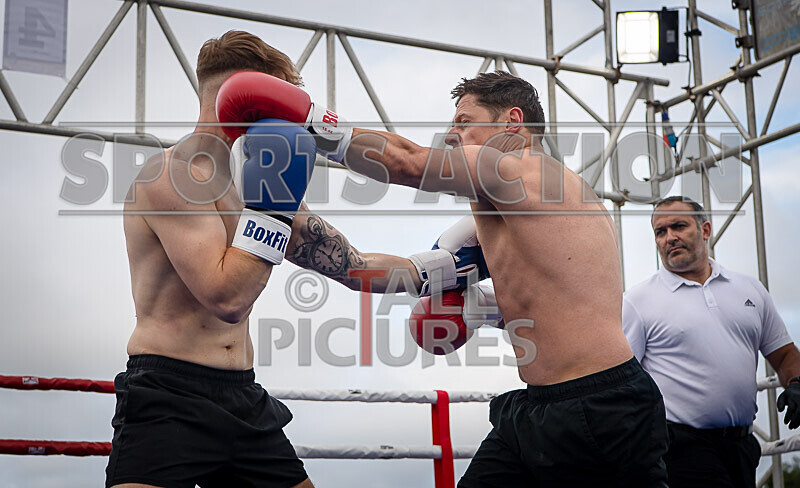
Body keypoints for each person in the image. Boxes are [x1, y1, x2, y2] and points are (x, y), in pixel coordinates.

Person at [215, 70, 670, 486]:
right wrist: (279, 216)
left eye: (464, 120)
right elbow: (380, 272)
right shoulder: (496, 219)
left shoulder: (525, 171)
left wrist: (309, 119)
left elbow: (407, 161)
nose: (451, 134)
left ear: (512, 122)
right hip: (536, 409)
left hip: (603, 406)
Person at [107, 30, 449, 488]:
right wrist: (273, 208)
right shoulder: (171, 176)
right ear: (249, 97)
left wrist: (443, 271)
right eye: (279, 101)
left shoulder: (254, 186)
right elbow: (227, 297)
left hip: (242, 397)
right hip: (169, 397)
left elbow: (350, 265)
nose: (287, 118)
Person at [621, 196, 800, 488]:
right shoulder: (637, 302)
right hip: (679, 449)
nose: (670, 238)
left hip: (742, 447)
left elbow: (784, 354)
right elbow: (620, 379)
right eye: (660, 232)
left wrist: (797, 383)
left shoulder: (749, 289)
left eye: (678, 226)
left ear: (705, 229)